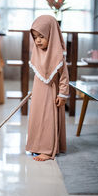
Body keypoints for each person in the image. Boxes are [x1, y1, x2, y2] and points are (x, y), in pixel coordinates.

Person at [26, 15, 69, 161]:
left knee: (48, 119)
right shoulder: (37, 53)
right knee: (37, 118)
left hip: (52, 93)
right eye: (35, 37)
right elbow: (38, 75)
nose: (38, 40)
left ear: (52, 35)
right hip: (39, 93)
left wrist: (63, 94)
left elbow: (64, 77)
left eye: (42, 36)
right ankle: (36, 145)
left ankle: (47, 149)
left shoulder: (58, 55)